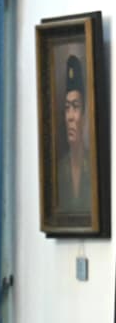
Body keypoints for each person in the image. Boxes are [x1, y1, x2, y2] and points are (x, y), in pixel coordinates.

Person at [58, 53, 92, 214]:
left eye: (76, 106)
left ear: (84, 116)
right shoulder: (60, 170)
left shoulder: (92, 166)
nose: (70, 116)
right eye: (67, 108)